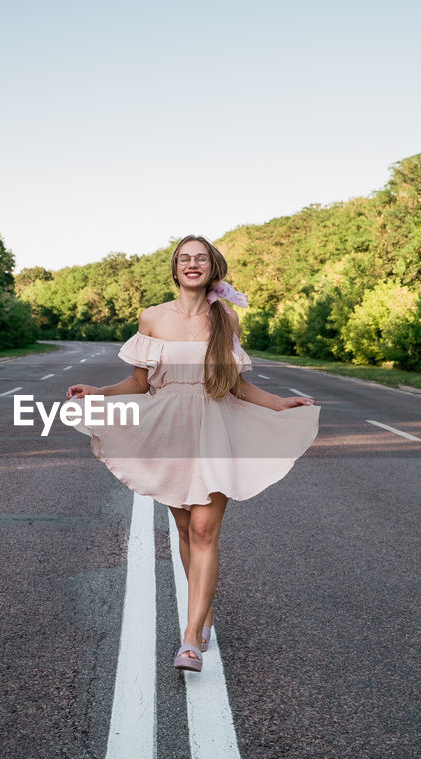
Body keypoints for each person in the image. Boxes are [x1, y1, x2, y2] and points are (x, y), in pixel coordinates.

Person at [64, 234, 320, 672]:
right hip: (168, 429)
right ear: (175, 268)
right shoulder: (152, 318)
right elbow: (140, 384)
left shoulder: (226, 320)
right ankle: (204, 612)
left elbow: (237, 384)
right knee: (184, 532)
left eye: (200, 258)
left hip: (215, 427)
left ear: (211, 267)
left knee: (203, 532)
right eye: (185, 259)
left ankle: (190, 640)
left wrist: (279, 403)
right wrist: (100, 392)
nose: (192, 264)